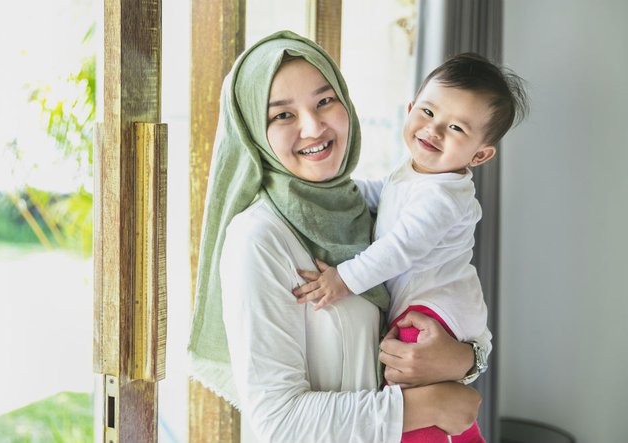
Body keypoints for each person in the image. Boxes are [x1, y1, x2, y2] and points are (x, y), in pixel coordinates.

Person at [187, 30, 483, 442]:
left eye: (325, 101)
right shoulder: (259, 238)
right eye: (282, 115)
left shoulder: (368, 211)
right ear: (255, 131)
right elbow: (280, 424)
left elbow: (446, 298)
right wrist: (429, 406)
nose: (312, 127)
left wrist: (465, 360)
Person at [292, 53, 529, 442]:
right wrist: (337, 194)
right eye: (428, 112)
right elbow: (381, 198)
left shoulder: (443, 198)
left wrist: (344, 280)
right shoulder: (413, 171)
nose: (433, 131)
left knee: (406, 385)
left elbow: (399, 249)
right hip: (431, 303)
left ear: (480, 155)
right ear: (410, 109)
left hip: (438, 307)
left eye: (454, 128)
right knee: (416, 389)